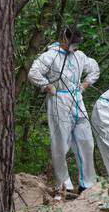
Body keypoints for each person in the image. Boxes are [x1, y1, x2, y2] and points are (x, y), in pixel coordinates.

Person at [28, 25, 100, 197]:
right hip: (58, 99)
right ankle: (64, 185)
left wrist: (84, 85)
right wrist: (46, 85)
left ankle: (87, 184)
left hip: (77, 99)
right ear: (64, 39)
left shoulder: (79, 56)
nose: (75, 47)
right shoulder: (50, 56)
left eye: (77, 44)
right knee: (61, 143)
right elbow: (33, 72)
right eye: (72, 43)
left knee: (86, 142)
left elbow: (94, 69)